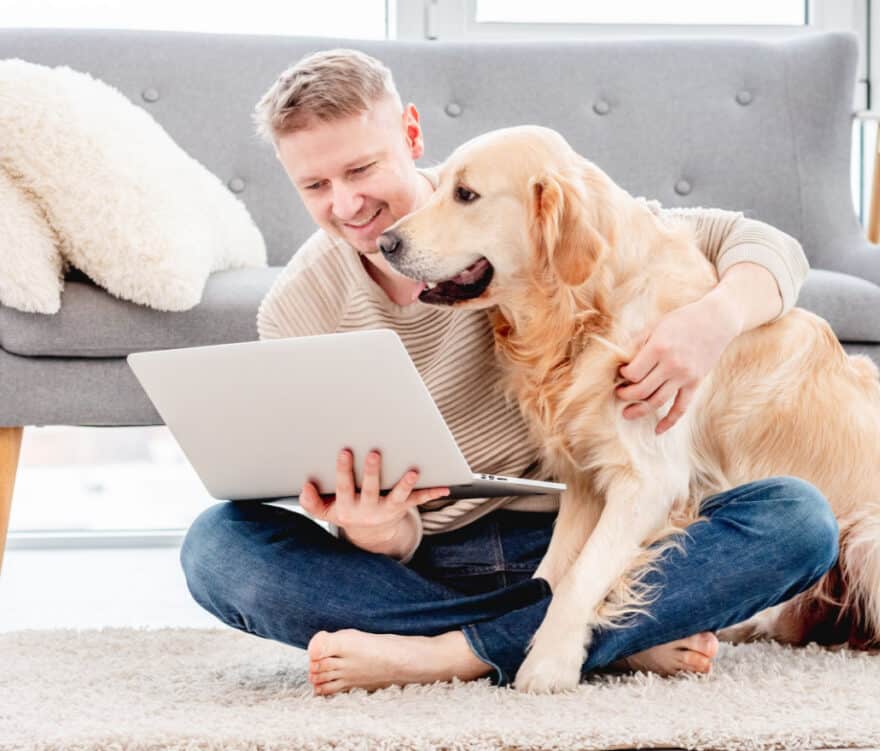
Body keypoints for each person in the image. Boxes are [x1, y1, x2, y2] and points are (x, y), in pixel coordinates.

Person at [179, 49, 839, 695]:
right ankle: (611, 634)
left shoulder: (507, 193)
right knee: (217, 547)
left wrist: (712, 321)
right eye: (316, 186)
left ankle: (448, 653)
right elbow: (364, 516)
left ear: (409, 133)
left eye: (361, 168)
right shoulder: (297, 310)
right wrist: (377, 530)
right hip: (425, 567)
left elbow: (761, 245)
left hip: (576, 539)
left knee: (799, 520)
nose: (348, 204)